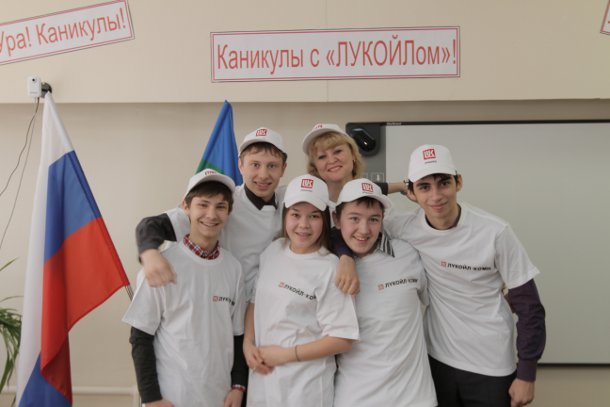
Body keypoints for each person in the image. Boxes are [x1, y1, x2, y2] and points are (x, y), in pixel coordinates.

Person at [386, 144, 546, 407]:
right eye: (424, 187)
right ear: (411, 193)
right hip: (436, 359)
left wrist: (527, 374)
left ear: (458, 182)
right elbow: (351, 210)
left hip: (492, 364)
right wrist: (345, 257)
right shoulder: (404, 227)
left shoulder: (495, 232)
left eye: (443, 183)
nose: (436, 196)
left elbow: (530, 307)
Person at [123, 169, 247, 407]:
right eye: (203, 205)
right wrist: (151, 399)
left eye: (220, 206)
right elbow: (140, 337)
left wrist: (238, 386)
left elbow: (237, 334)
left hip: (220, 397)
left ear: (229, 212)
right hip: (172, 398)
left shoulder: (234, 268)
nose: (211, 214)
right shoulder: (161, 265)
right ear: (186, 207)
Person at [245, 174, 359, 407]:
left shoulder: (330, 267)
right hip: (263, 383)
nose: (303, 225)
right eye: (296, 215)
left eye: (314, 216)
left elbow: (342, 338)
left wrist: (286, 355)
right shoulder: (273, 250)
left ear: (325, 219)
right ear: (285, 215)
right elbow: (255, 301)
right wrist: (248, 343)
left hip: (305, 389)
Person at [332, 178, 437, 407]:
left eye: (373, 219)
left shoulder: (408, 253)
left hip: (417, 399)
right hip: (356, 399)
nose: (364, 230)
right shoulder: (327, 267)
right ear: (336, 220)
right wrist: (344, 257)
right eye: (354, 218)